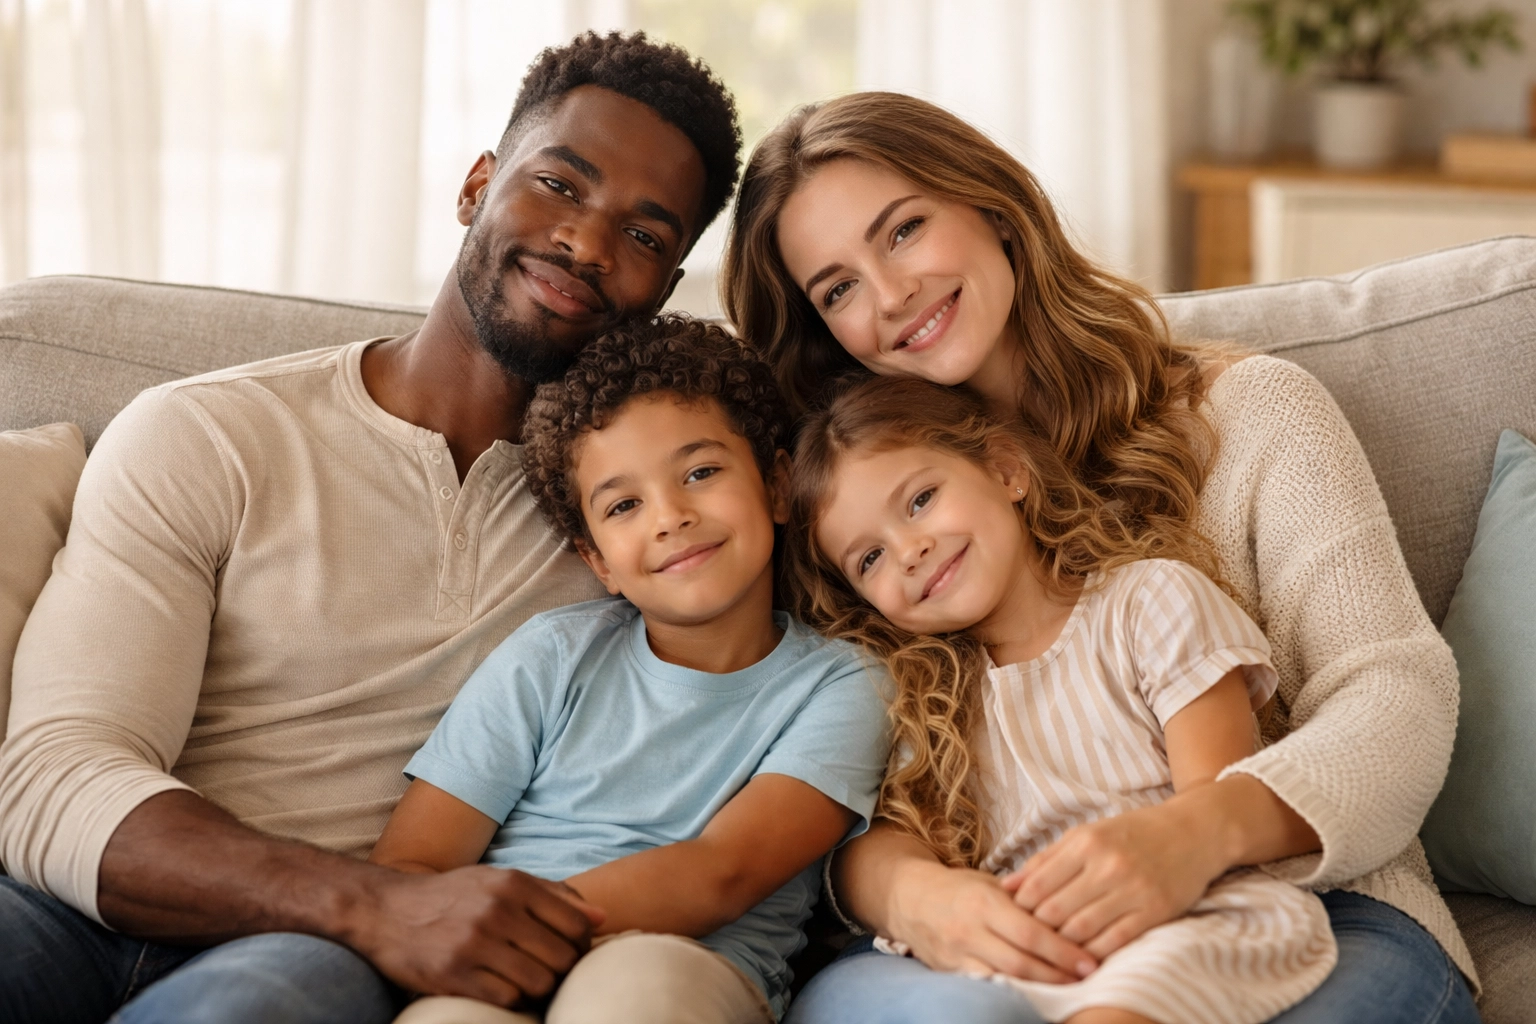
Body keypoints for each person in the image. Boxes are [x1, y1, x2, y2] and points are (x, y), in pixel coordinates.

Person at [0, 31, 743, 1024]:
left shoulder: (638, 530)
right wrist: (376, 902)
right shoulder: (211, 431)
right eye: (560, 185)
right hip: (71, 910)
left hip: (302, 965)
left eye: (647, 236)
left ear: (670, 286)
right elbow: (52, 777)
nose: (587, 245)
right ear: (479, 183)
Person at [722, 91, 1479, 1023]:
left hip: (1304, 905)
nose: (890, 297)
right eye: (837, 288)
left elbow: (1397, 694)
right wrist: (917, 895)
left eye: (905, 230)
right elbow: (834, 789)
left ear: (992, 205)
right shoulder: (855, 525)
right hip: (1000, 928)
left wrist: (1195, 834)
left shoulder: (1251, 414)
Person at [372, 316, 890, 1024]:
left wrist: (522, 927)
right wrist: (472, 942)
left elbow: (722, 873)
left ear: (776, 485)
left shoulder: (842, 683)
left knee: (632, 987)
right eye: (624, 505)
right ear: (598, 563)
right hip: (490, 968)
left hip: (686, 970)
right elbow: (412, 865)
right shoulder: (550, 655)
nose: (670, 517)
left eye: (701, 472)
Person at [782, 374, 1337, 1024]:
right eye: (869, 557)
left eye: (921, 499)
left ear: (1006, 469)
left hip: (1190, 914)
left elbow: (1211, 806)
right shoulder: (923, 695)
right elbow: (890, 842)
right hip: (1028, 944)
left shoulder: (1150, 602)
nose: (909, 552)